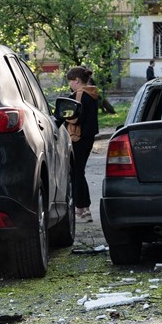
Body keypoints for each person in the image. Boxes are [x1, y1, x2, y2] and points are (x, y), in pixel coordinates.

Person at [65, 65, 100, 223]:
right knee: (80, 172)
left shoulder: (79, 94)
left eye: (70, 81)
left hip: (77, 138)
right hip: (88, 137)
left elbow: (75, 117)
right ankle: (84, 209)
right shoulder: (92, 93)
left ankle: (81, 210)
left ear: (77, 80)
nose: (70, 85)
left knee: (77, 173)